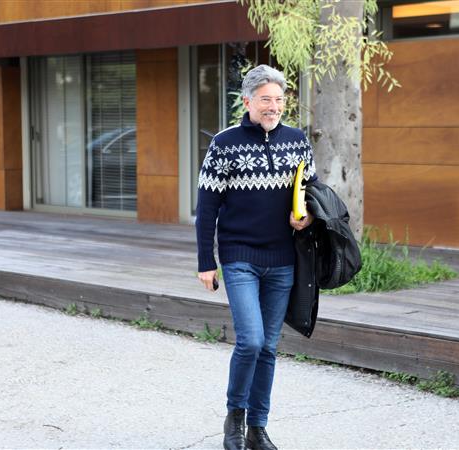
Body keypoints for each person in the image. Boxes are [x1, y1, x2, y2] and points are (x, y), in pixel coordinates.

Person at [195, 65, 317, 450]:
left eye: (279, 99)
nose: (274, 106)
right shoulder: (224, 143)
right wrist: (205, 261)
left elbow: (312, 195)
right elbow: (207, 207)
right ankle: (235, 417)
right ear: (247, 101)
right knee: (250, 341)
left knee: (268, 347)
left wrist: (306, 218)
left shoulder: (297, 141)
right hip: (239, 257)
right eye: (266, 99)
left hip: (283, 259)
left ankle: (257, 429)